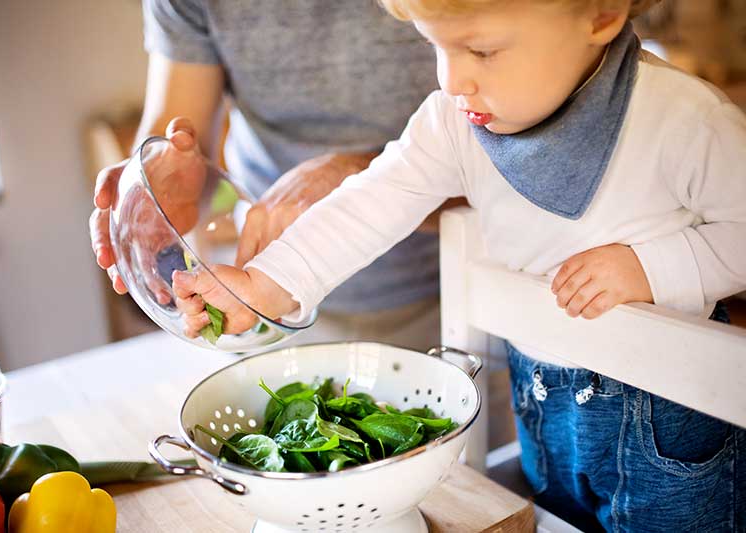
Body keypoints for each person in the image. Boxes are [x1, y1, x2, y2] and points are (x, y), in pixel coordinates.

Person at [172, 0, 746, 530]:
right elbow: (371, 202)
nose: (450, 79)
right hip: (542, 412)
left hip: (668, 433)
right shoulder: (456, 119)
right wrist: (265, 284)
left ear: (599, 13)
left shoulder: (683, 121)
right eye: (435, 46)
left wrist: (650, 269)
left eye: (482, 51)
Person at [89, 0, 454, 351]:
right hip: (271, 312)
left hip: (454, 293)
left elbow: (485, 167)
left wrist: (360, 176)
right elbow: (175, 134)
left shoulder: (453, 104)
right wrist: (156, 196)